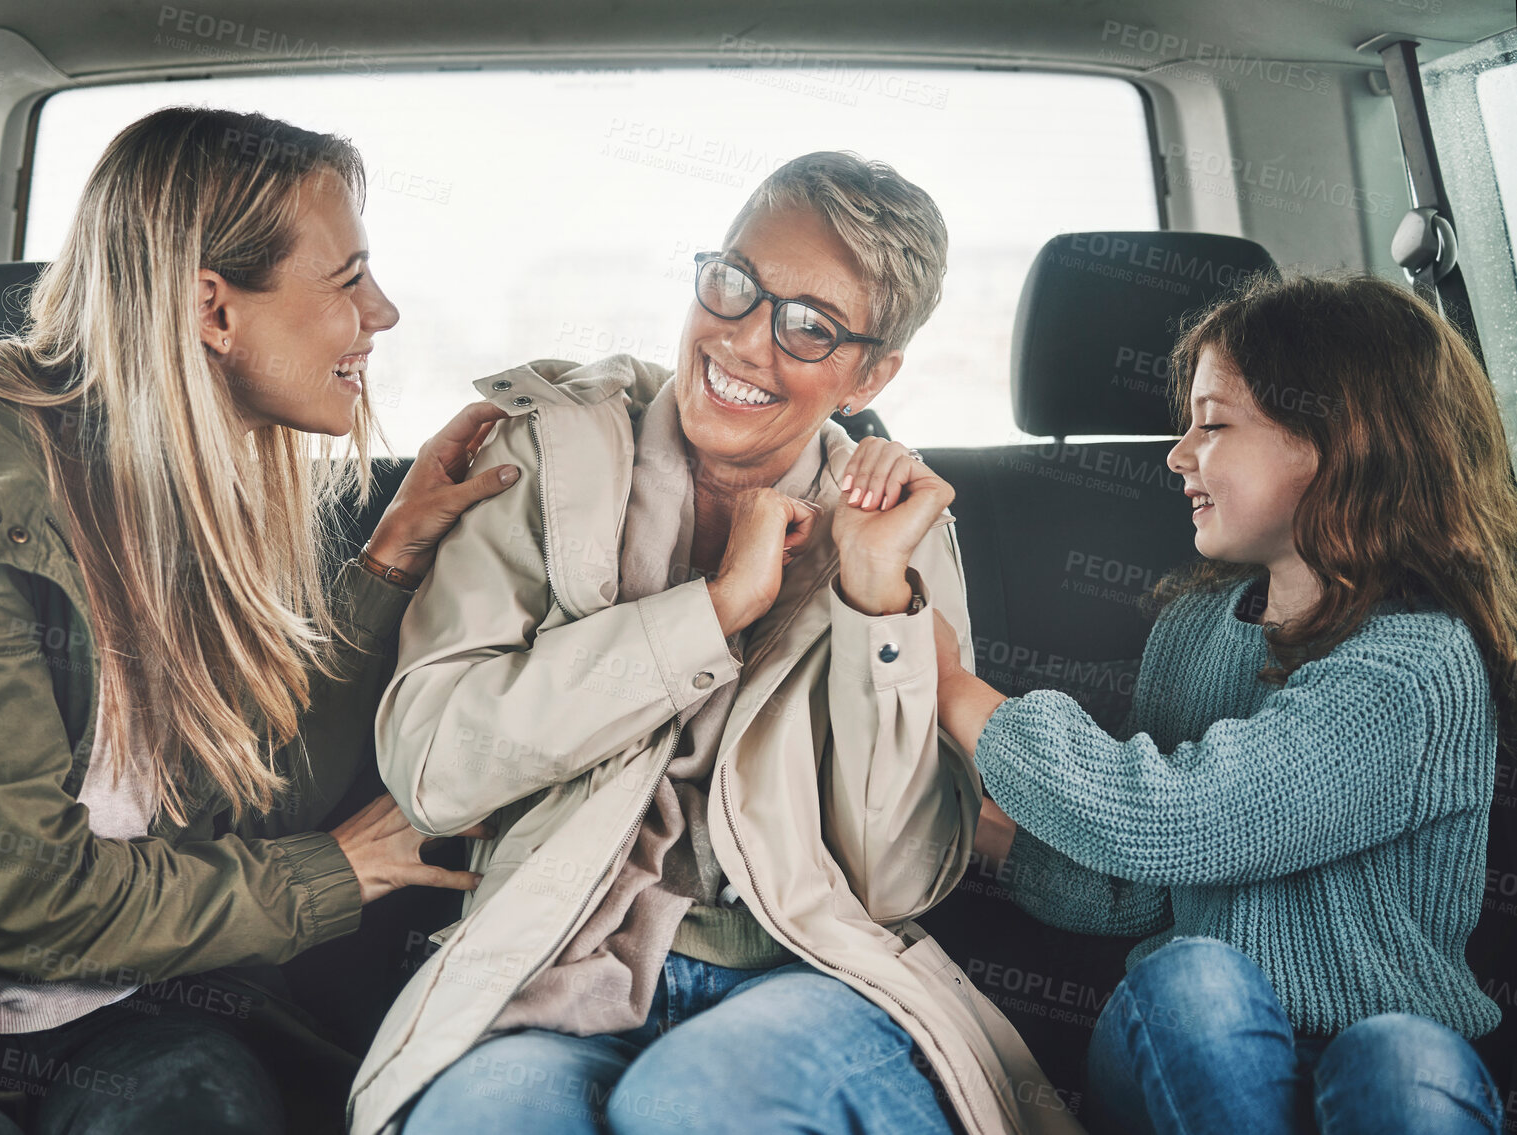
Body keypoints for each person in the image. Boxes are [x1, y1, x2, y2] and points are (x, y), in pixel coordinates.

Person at [0, 107, 520, 1135]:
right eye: (347, 279)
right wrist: (340, 871)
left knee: (206, 1106)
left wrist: (389, 558)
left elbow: (255, 800)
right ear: (214, 309)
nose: (379, 312)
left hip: (118, 1012)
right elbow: (17, 900)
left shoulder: (192, 495)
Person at [349, 152, 1082, 1135]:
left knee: (691, 1107)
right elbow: (435, 768)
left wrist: (874, 604)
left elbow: (895, 878)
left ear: (870, 373)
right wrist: (714, 609)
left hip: (809, 970)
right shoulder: (540, 454)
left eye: (810, 326)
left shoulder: (898, 532)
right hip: (549, 959)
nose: (741, 341)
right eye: (734, 283)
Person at [932, 273, 1517, 1134]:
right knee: (1194, 980)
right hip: (1185, 1043)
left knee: (1403, 1056)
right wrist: (984, 834)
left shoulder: (1415, 664)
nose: (1175, 455)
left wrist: (956, 694)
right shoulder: (1195, 631)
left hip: (1380, 1060)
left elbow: (1176, 819)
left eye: (1210, 424)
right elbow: (1138, 884)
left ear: (1336, 439)